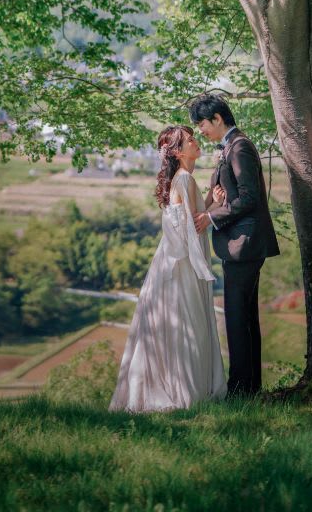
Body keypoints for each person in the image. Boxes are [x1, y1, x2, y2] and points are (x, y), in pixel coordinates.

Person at [109, 124, 227, 412]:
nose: (196, 142)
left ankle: (182, 388)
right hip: (183, 265)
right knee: (188, 326)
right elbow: (192, 228)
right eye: (189, 140)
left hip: (174, 261)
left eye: (194, 137)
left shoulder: (183, 179)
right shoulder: (184, 180)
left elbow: (192, 218)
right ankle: (186, 392)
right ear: (177, 152)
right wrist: (213, 208)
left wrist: (211, 201)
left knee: (184, 326)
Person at [189, 94, 279, 396]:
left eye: (201, 124)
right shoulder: (230, 147)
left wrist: (211, 218)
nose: (200, 130)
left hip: (244, 244)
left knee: (238, 318)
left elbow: (249, 198)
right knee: (245, 318)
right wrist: (215, 198)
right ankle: (249, 387)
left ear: (217, 118)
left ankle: (240, 389)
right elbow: (235, 193)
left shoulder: (239, 147)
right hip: (241, 245)